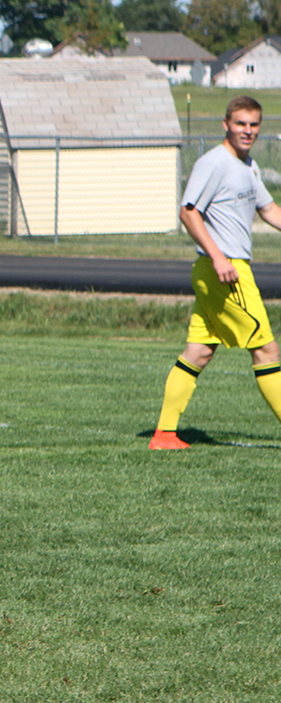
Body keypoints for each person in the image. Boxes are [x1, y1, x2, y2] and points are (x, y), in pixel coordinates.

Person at [152, 95, 281, 450]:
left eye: (254, 125)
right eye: (240, 123)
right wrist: (219, 257)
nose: (248, 131)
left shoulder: (248, 166)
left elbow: (269, 209)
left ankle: (164, 435)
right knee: (267, 350)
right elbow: (189, 211)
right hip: (224, 271)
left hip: (220, 270)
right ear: (226, 124)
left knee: (199, 352)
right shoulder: (214, 163)